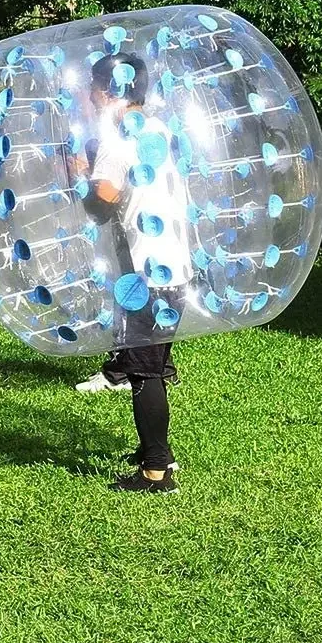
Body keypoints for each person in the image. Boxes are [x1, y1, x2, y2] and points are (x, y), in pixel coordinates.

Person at [69, 51, 193, 494]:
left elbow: (103, 199)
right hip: (174, 261)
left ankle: (156, 471)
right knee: (154, 361)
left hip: (147, 271)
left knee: (144, 369)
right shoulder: (156, 127)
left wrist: (82, 176)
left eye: (92, 87)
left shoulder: (117, 136)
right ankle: (152, 452)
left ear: (108, 90)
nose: (89, 96)